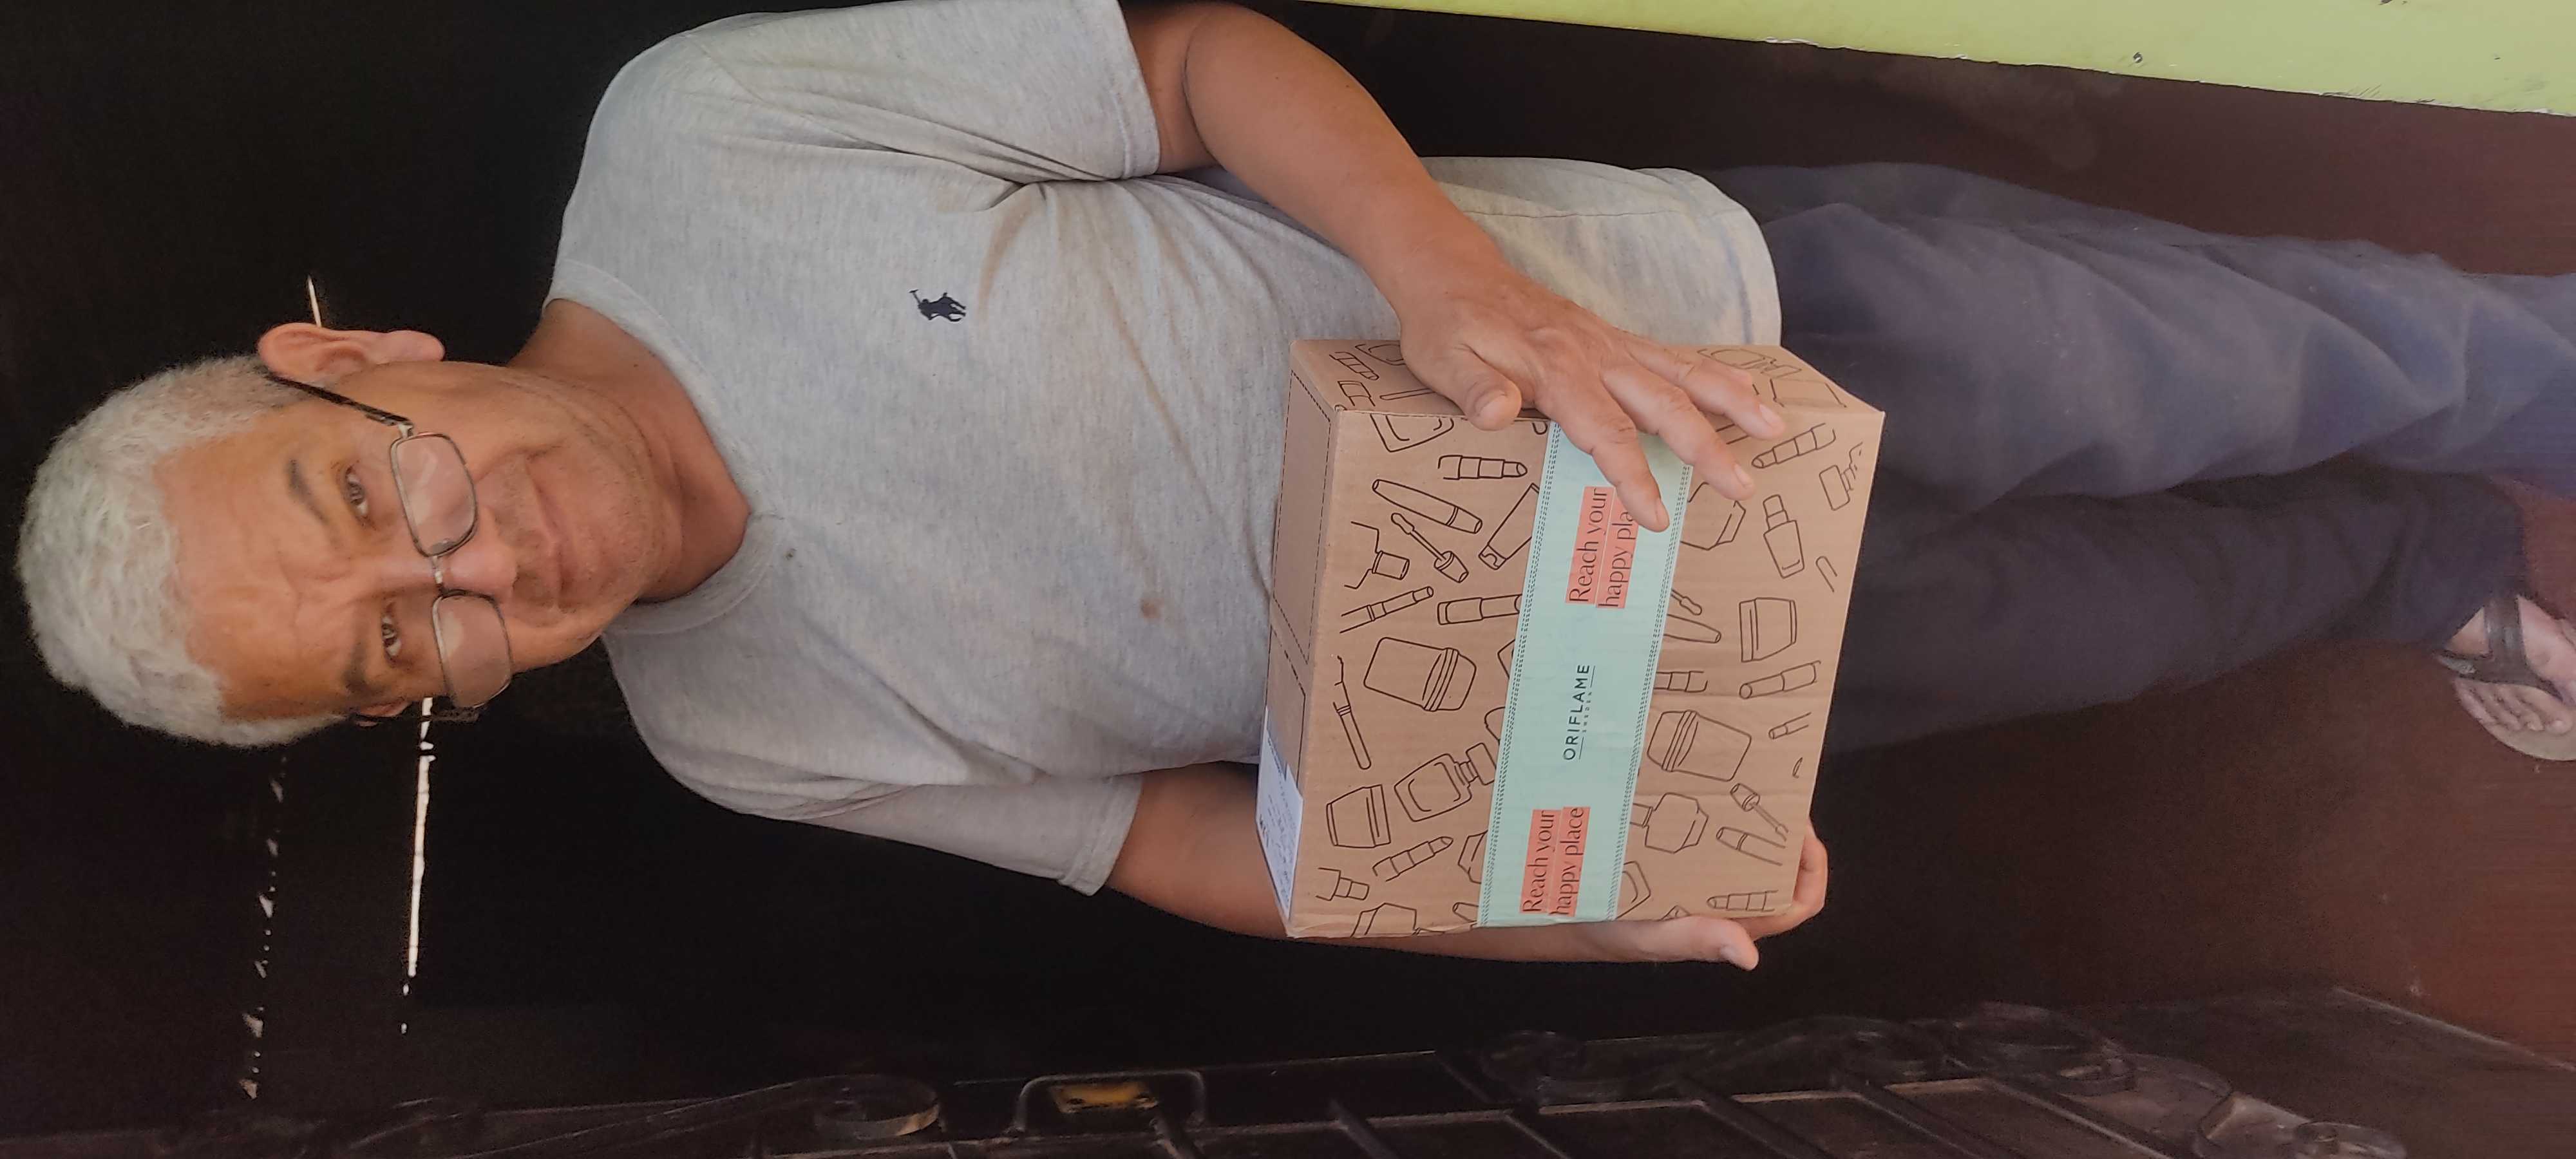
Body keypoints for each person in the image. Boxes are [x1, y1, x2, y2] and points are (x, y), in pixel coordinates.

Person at [19, 0, 2573, 968]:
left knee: (2319, 352)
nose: (478, 574)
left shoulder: (696, 141)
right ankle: (2441, 574)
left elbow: (1190, 62)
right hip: (1665, 660)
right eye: (400, 657)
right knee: (2165, 609)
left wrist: (1453, 283)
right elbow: (1178, 846)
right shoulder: (736, 737)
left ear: (351, 359)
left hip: (1715, 321)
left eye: (369, 506)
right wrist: (1570, 912)